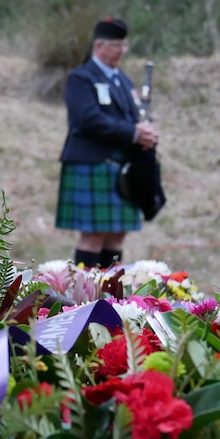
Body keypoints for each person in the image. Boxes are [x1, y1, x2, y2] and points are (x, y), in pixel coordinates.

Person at [55, 17, 159, 269]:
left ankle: (111, 297)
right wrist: (133, 133)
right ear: (99, 46)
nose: (121, 51)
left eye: (124, 45)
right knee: (93, 235)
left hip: (122, 168)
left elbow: (133, 116)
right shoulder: (81, 78)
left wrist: (145, 131)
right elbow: (87, 119)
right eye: (116, 45)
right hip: (92, 164)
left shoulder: (122, 80)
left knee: (117, 234)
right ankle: (85, 298)